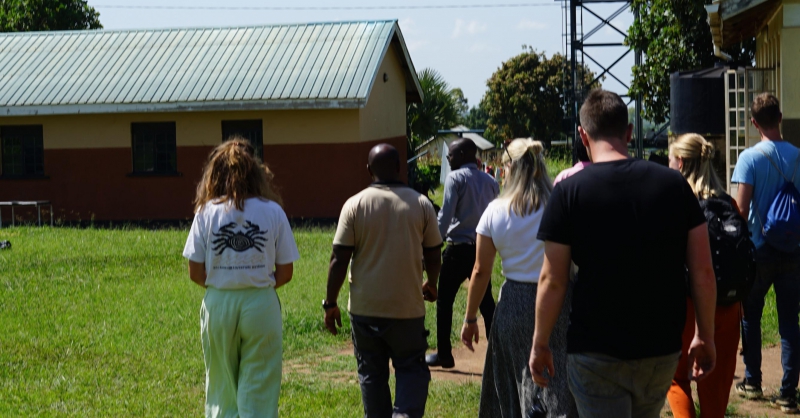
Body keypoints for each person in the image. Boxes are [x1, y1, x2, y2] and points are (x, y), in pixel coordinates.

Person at [529, 89, 718, 418]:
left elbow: (553, 279)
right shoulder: (674, 185)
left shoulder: (568, 191)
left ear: (582, 135)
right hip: (660, 348)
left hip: (595, 350)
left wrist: (540, 342)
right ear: (629, 133)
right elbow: (702, 271)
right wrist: (704, 334)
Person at [182, 138, 299, 418]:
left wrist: (224, 280)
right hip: (260, 304)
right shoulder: (273, 212)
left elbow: (195, 271)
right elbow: (286, 272)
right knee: (259, 386)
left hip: (219, 303)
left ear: (215, 174)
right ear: (256, 173)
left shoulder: (206, 212)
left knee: (221, 386)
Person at [323, 144, 443, 418]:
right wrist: (432, 282)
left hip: (365, 310)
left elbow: (338, 259)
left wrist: (330, 302)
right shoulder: (421, 204)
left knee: (371, 373)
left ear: (368, 170)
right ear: (400, 167)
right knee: (411, 367)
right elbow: (434, 254)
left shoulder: (354, 205)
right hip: (407, 309)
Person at [461, 138, 578, 417]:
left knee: (515, 379)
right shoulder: (560, 205)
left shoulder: (496, 211)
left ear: (508, 169)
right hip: (560, 298)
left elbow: (480, 271)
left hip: (514, 302)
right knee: (558, 378)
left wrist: (469, 318)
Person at [666, 134, 745, 418]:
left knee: (678, 379)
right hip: (728, 308)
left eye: (671, 161)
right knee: (716, 388)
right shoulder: (728, 205)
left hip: (687, 308)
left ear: (682, 162)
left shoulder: (675, 205)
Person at [733, 93, 800, 413]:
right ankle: (788, 393)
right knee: (790, 321)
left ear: (754, 122)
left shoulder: (749, 158)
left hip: (759, 250)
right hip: (793, 250)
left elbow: (741, 209)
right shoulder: (799, 157)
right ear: (781, 117)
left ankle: (753, 380)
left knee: (752, 318)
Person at [427, 138, 499, 369]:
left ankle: (445, 355)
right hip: (482, 249)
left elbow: (445, 216)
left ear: (462, 155)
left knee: (445, 300)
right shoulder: (490, 181)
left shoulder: (455, 178)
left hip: (457, 249)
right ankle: (498, 355)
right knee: (486, 302)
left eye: (451, 155)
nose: (449, 159)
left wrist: (433, 244)